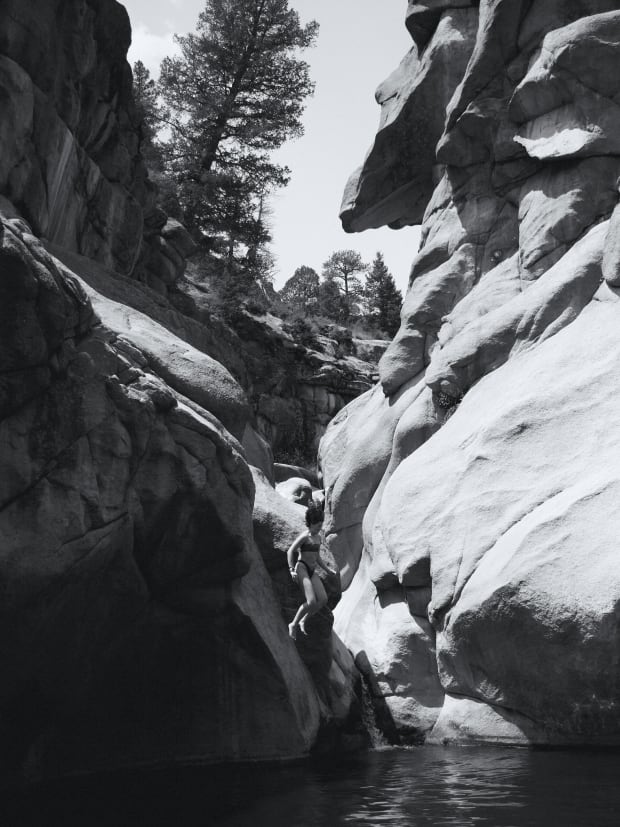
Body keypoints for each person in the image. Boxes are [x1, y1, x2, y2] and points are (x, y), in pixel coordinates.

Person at [286, 503, 334, 639]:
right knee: (311, 601)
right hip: (302, 568)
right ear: (311, 524)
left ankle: (303, 619)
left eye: (321, 525)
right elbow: (290, 551)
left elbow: (317, 557)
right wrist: (291, 570)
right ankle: (293, 624)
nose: (320, 528)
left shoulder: (318, 538)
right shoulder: (305, 536)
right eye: (318, 525)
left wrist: (327, 569)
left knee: (323, 599)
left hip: (312, 571)